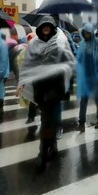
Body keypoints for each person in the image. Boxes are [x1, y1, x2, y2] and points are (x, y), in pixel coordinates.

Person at [18, 16, 75, 172]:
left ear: (52, 28)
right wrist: (22, 82)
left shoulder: (59, 43)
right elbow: (27, 65)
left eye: (49, 26)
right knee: (47, 119)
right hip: (40, 88)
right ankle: (53, 147)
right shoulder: (34, 44)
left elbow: (70, 61)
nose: (46, 28)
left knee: (46, 120)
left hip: (54, 87)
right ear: (40, 28)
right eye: (44, 26)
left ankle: (42, 153)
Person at [75, 22, 98, 132]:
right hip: (86, 76)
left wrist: (95, 66)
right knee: (83, 101)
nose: (86, 35)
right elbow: (78, 58)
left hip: (96, 76)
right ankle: (81, 123)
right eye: (85, 33)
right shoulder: (82, 44)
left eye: (88, 33)